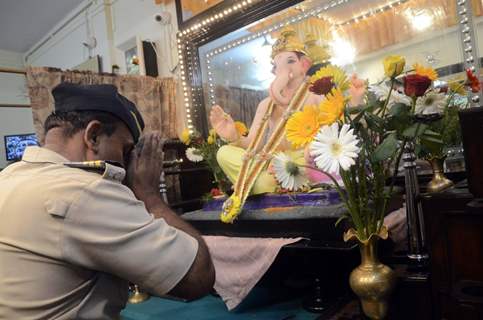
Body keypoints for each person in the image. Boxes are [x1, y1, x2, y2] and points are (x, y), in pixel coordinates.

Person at [0, 83, 215, 319]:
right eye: (125, 150)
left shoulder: (8, 177)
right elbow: (198, 276)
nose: (126, 164)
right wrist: (150, 196)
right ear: (93, 136)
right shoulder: (84, 191)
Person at [210, 27, 323, 194]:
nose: (284, 69)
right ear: (274, 70)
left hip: (302, 160)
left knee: (270, 180)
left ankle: (254, 185)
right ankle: (262, 184)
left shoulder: (315, 96)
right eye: (278, 65)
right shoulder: (266, 104)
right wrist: (234, 136)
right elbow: (252, 145)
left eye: (290, 61)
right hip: (271, 161)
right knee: (223, 153)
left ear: (304, 65)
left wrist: (312, 149)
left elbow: (331, 135)